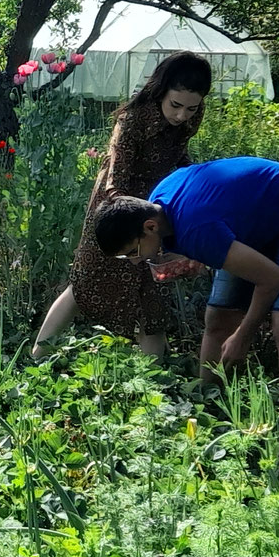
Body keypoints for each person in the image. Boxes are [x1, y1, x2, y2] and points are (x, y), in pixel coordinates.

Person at [91, 156, 279, 432]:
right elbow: (215, 210)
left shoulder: (198, 230)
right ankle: (207, 408)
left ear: (149, 227)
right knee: (218, 317)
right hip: (260, 219)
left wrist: (243, 335)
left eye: (133, 253)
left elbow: (272, 279)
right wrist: (191, 255)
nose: (136, 262)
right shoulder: (157, 204)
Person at [33, 51, 213, 359]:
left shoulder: (190, 117)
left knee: (151, 290)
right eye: (176, 105)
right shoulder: (133, 119)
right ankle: (38, 354)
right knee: (86, 280)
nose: (183, 115)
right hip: (114, 210)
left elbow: (178, 158)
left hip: (155, 213)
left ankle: (152, 376)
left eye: (191, 108)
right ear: (161, 90)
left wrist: (195, 179)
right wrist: (137, 215)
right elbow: (116, 177)